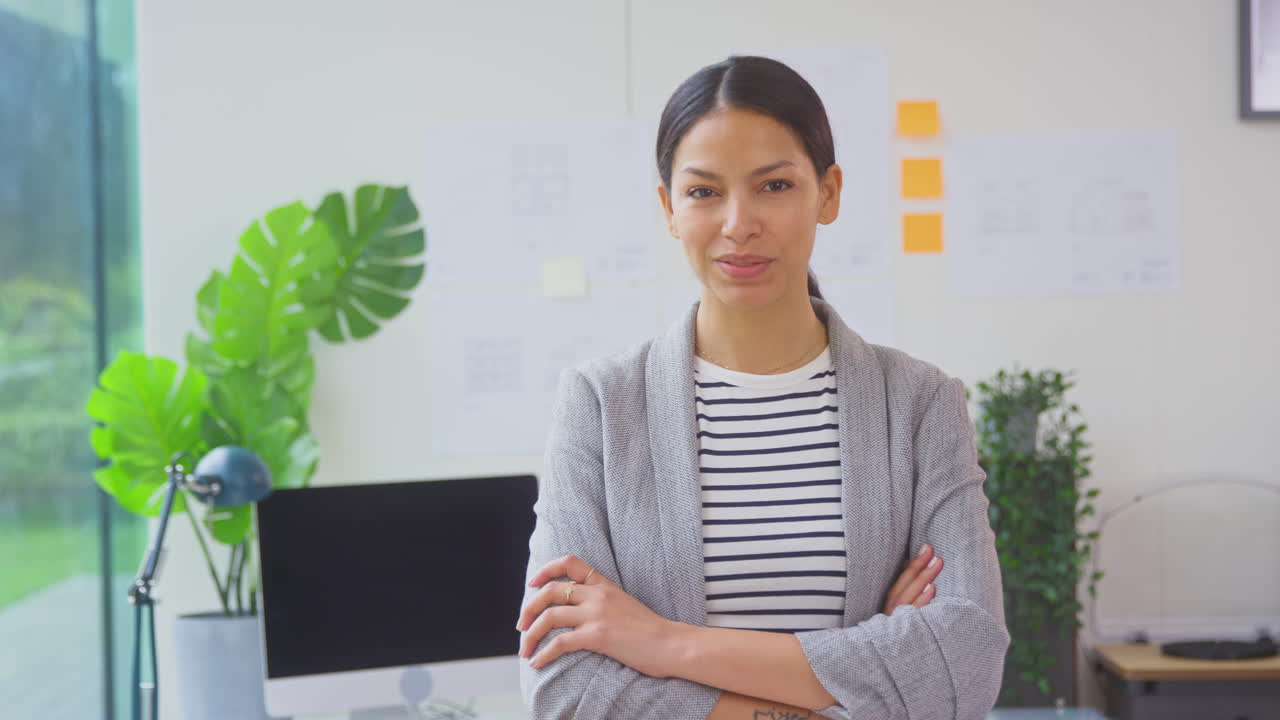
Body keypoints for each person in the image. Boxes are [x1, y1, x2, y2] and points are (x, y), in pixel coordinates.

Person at [515, 55, 1009, 720]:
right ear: (668, 207)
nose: (739, 223)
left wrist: (661, 642)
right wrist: (862, 685)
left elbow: (967, 663)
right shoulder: (601, 406)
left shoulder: (920, 405)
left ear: (827, 193)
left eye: (774, 186)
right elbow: (565, 688)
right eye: (703, 192)